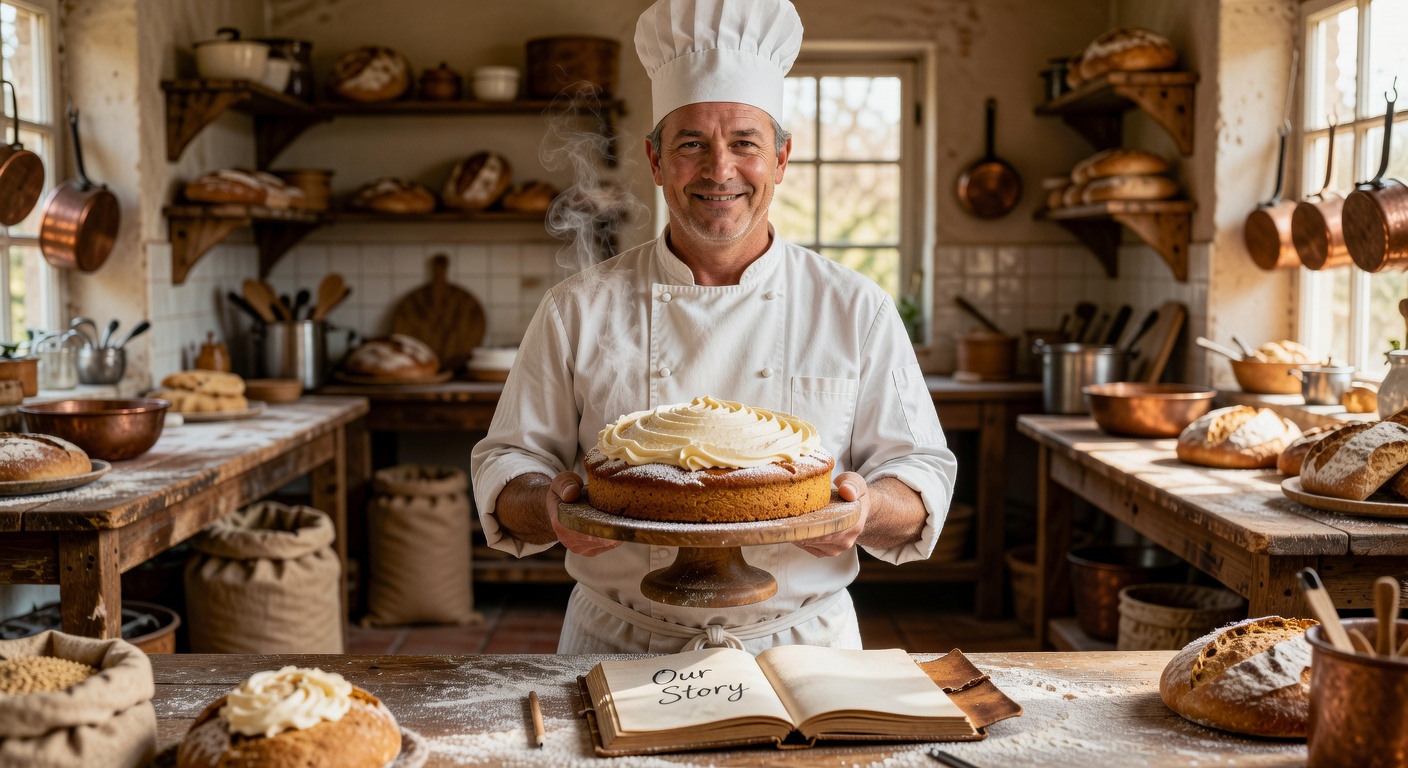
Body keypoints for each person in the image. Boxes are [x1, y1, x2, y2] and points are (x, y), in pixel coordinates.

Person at [470, 0, 957, 654]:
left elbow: (921, 475)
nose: (720, 170)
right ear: (654, 159)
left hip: (802, 647)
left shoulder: (854, 307)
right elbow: (507, 468)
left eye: (745, 144)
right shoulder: (578, 307)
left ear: (781, 159)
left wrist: (865, 510)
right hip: (620, 643)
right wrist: (550, 507)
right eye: (692, 144)